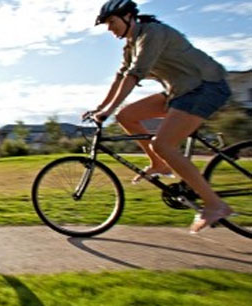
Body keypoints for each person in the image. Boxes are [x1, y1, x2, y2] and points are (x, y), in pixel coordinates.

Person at [85, 0, 233, 233]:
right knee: (126, 116)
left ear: (128, 17)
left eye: (112, 22)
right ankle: (158, 163)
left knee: (163, 144)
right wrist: (101, 108)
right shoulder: (130, 45)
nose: (109, 28)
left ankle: (215, 205)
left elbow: (135, 75)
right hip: (178, 91)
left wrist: (106, 111)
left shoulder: (152, 34)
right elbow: (120, 77)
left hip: (205, 86)